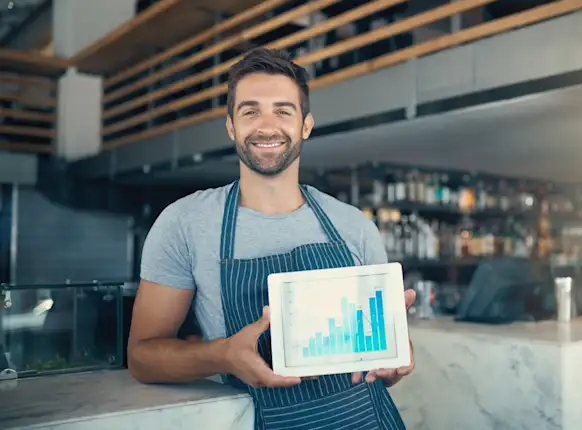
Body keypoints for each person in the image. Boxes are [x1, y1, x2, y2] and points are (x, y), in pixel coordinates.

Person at [127, 47, 415, 430]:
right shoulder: (184, 223)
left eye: (283, 110)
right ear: (231, 126)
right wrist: (224, 355)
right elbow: (142, 357)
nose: (266, 126)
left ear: (305, 125)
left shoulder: (353, 225)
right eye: (250, 111)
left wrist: (396, 356)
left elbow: (386, 365)